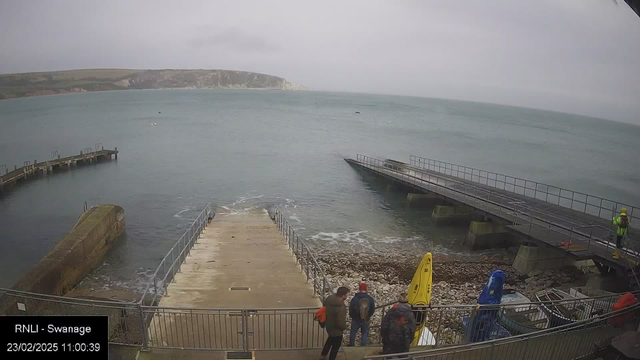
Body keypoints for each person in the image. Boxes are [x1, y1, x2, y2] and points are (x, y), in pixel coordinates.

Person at [320, 286, 349, 360]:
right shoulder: (341, 307)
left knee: (329, 341)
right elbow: (340, 322)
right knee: (335, 347)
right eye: (347, 295)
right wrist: (344, 327)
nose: (347, 296)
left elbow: (324, 305)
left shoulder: (330, 298)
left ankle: (323, 356)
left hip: (329, 325)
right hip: (337, 331)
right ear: (343, 295)